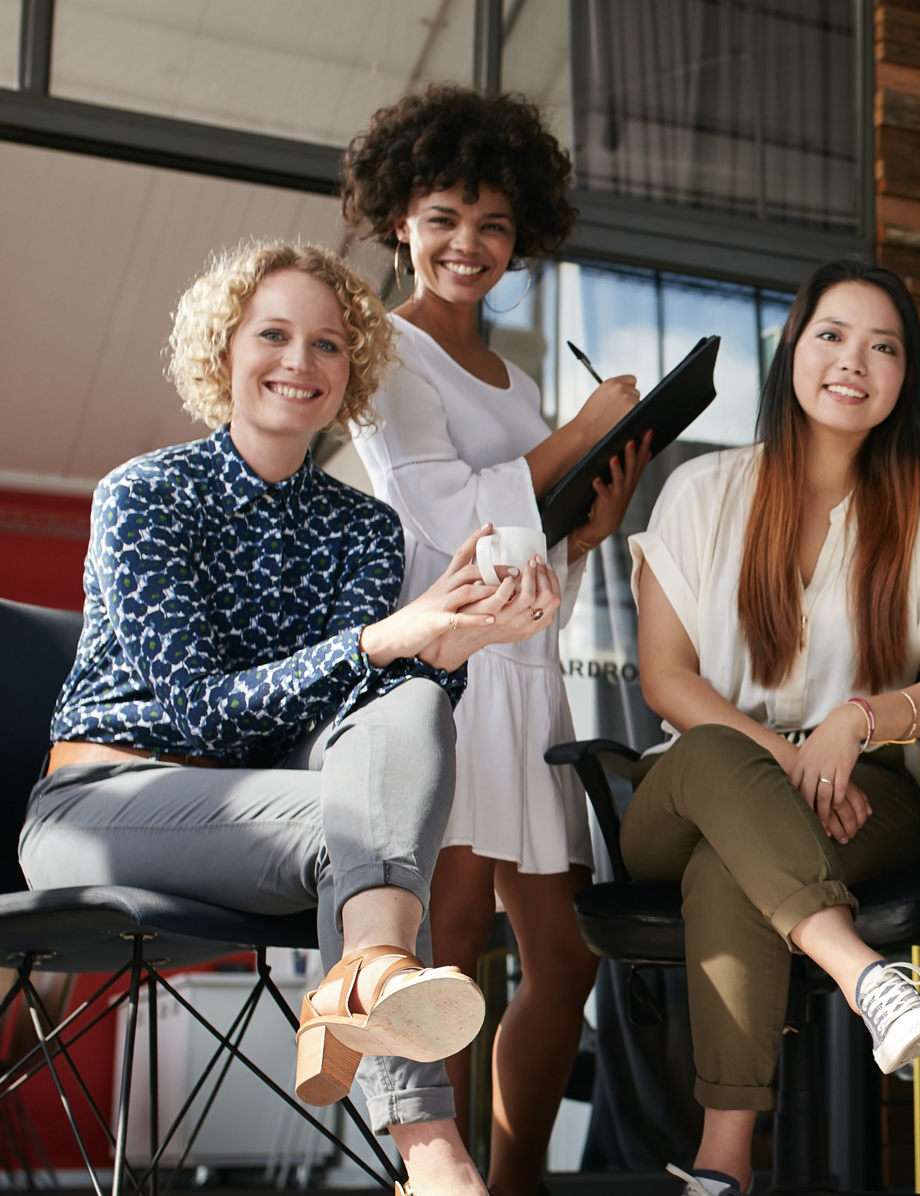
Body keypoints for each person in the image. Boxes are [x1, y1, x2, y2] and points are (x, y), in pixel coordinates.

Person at [21, 241, 559, 1196]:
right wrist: (388, 641)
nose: (300, 363)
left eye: (328, 345)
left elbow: (362, 727)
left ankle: (366, 976)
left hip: (284, 819)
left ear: (354, 372)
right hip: (107, 806)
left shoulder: (361, 527)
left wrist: (448, 650)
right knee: (376, 834)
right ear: (224, 352)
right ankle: (433, 1155)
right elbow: (201, 714)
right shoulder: (144, 496)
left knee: (403, 712)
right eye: (273, 335)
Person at [340, 83, 651, 1195]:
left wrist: (592, 523)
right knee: (454, 942)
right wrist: (580, 432)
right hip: (454, 671)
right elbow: (438, 512)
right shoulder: (380, 347)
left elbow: (530, 547)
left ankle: (515, 1180)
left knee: (563, 957)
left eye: (492, 225)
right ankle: (444, 1177)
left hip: (534, 673)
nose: (466, 245)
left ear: (522, 235)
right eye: (441, 217)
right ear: (398, 221)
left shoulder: (516, 377)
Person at [626, 260, 920, 1196]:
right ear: (793, 347)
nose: (853, 362)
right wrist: (786, 757)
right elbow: (666, 680)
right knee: (715, 758)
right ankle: (866, 974)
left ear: (906, 378)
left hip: (861, 795)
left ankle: (721, 1173)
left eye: (884, 346)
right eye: (832, 335)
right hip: (691, 785)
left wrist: (859, 721)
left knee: (733, 866)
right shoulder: (701, 491)